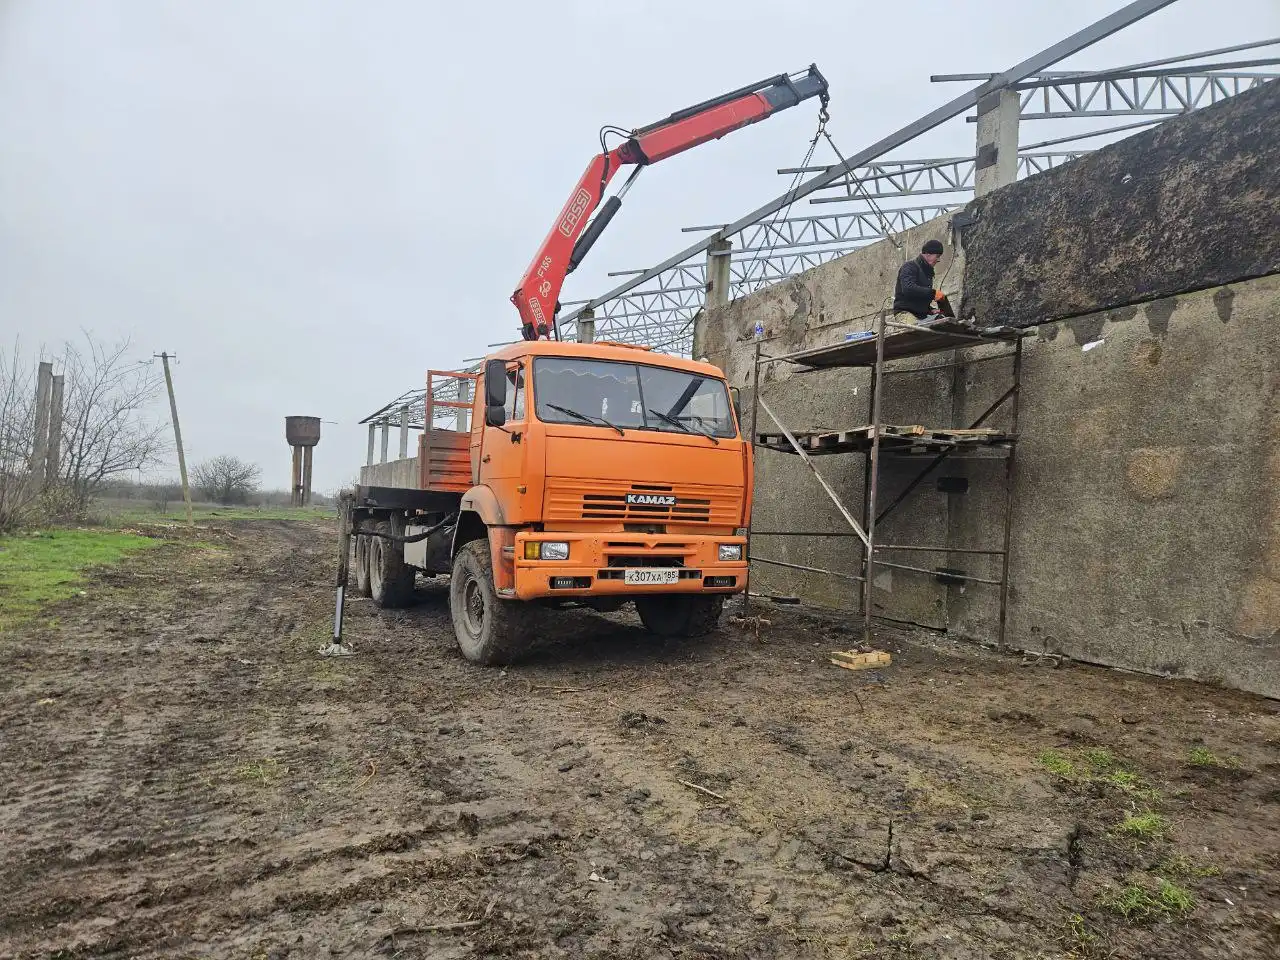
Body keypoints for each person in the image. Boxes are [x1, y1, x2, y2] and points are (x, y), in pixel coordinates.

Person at [893, 239, 949, 323]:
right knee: (915, 328)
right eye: (937, 256)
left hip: (922, 316)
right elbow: (908, 288)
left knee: (942, 322)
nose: (938, 260)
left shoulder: (928, 274)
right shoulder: (909, 266)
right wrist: (933, 293)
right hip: (905, 313)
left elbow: (920, 299)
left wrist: (931, 310)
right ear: (928, 254)